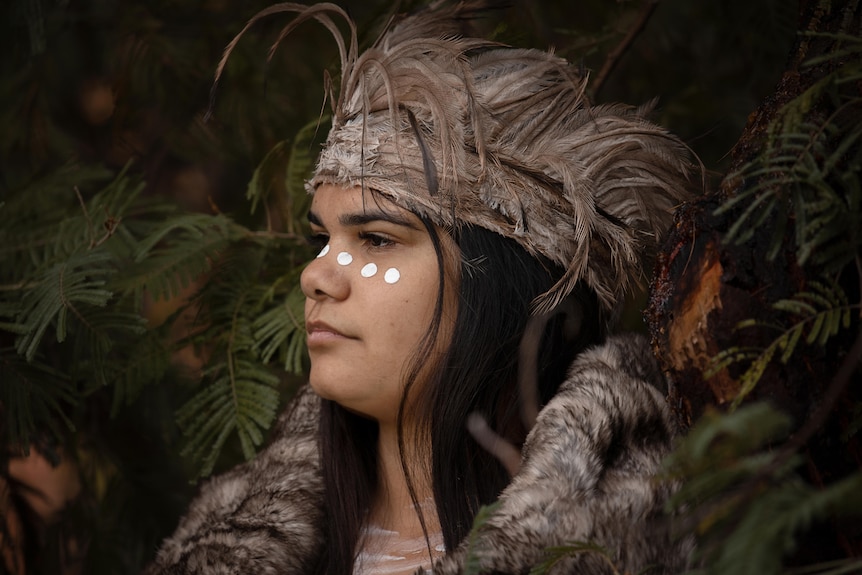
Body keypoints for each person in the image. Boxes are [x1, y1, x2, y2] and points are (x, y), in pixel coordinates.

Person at [145, 2, 698, 574]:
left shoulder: (643, 546)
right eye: (321, 240)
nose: (315, 276)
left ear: (506, 287)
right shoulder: (220, 543)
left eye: (377, 241)